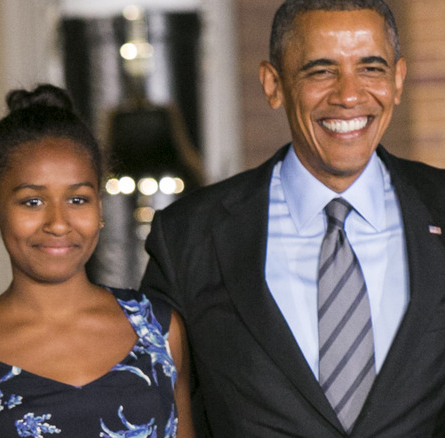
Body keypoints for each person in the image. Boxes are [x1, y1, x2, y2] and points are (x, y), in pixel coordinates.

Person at [140, 0, 445, 436]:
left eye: (371, 68)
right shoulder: (188, 237)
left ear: (397, 80)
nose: (349, 95)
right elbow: (159, 409)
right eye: (321, 71)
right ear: (273, 84)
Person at [0, 84, 195, 438]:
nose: (57, 223)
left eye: (78, 200)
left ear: (99, 207)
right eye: (32, 202)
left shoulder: (159, 330)